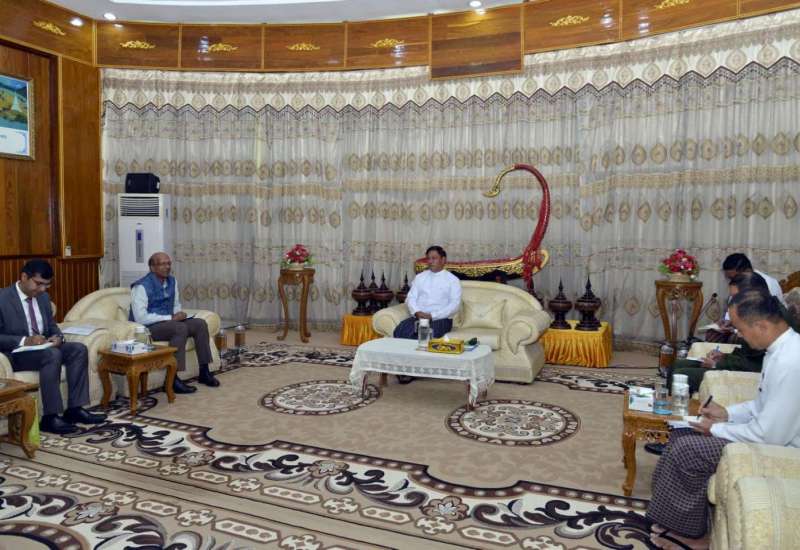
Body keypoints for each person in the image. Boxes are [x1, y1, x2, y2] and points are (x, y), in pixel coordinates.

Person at [646, 289, 800, 550]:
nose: (739, 335)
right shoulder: (779, 350)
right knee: (683, 432)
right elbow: (761, 405)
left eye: (741, 329)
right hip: (766, 433)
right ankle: (672, 518)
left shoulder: (791, 361)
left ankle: (692, 535)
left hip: (781, 448)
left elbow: (768, 435)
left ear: (761, 326)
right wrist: (726, 414)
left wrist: (715, 429)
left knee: (688, 450)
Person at [0, 260, 106, 434]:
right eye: (38, 283)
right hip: (16, 354)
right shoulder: (3, 298)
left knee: (78, 349)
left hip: (43, 349)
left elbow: (51, 326)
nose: (42, 289)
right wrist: (25, 340)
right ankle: (50, 417)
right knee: (52, 355)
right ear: (24, 277)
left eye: (46, 285)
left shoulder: (43, 298)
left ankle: (75, 409)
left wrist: (58, 337)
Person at [130, 252, 219, 393]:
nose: (167, 267)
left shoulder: (172, 281)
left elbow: (175, 304)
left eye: (169, 263)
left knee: (200, 324)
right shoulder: (141, 287)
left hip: (169, 322)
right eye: (163, 264)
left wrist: (179, 313)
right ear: (152, 267)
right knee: (179, 328)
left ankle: (204, 371)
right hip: (149, 327)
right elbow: (140, 317)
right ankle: (172, 380)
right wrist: (170, 318)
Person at [393, 246, 462, 383]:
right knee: (400, 330)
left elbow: (454, 305)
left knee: (423, 335)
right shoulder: (420, 277)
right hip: (418, 316)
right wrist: (417, 312)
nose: (430, 261)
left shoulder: (452, 280)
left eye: (434, 258)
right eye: (428, 258)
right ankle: (402, 367)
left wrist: (432, 315)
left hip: (440, 319)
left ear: (443, 260)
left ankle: (412, 370)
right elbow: (411, 298)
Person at [707, 253, 785, 342]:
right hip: (745, 330)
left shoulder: (768, 284)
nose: (732, 281)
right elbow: (732, 311)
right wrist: (727, 322)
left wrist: (737, 329)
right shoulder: (737, 284)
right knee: (713, 334)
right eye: (729, 278)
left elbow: (766, 321)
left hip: (766, 334)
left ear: (747, 271)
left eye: (733, 277)